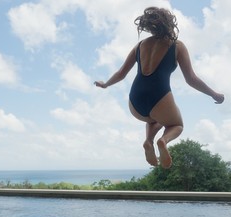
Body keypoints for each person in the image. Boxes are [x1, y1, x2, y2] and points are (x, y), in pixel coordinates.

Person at [95, 7, 224, 169]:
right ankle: (163, 141)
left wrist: (105, 84)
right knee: (176, 125)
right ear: (169, 23)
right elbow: (191, 79)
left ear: (150, 26)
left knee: (154, 118)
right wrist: (214, 94)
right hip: (159, 96)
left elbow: (121, 73)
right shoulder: (177, 46)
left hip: (135, 101)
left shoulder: (140, 45)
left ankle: (148, 141)